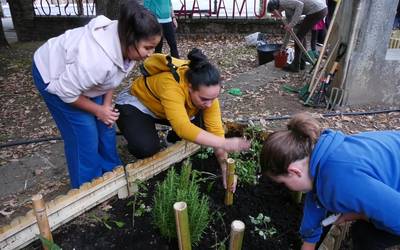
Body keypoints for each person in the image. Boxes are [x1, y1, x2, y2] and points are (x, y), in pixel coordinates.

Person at [32, 0, 162, 188]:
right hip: (54, 76)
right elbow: (65, 92)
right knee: (85, 136)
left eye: (153, 48)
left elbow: (111, 77)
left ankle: (111, 171)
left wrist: (105, 107)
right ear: (129, 39)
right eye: (148, 48)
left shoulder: (126, 44)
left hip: (83, 79)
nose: (150, 54)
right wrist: (98, 110)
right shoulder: (95, 61)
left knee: (106, 126)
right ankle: (88, 187)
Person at [259, 112, 400, 250]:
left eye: (284, 183)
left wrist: (362, 215)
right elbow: (316, 200)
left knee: (365, 236)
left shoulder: (344, 182)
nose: (286, 188)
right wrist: (309, 242)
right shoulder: (319, 157)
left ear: (295, 171)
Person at [115, 48, 250, 190]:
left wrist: (224, 166)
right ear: (190, 87)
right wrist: (224, 142)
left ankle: (171, 140)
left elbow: (216, 131)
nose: (209, 104)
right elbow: (183, 128)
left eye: (213, 98)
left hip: (167, 109)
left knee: (203, 128)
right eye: (204, 99)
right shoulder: (171, 85)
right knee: (145, 147)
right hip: (138, 105)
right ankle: (138, 131)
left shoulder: (208, 96)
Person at [268, 0, 328, 72]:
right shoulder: (287, 11)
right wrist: (283, 48)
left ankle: (296, 65)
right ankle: (302, 63)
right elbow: (289, 31)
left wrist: (291, 24)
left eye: (273, 13)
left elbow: (300, 5)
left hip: (317, 10)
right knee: (301, 36)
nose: (274, 16)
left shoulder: (283, 2)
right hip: (320, 10)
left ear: (275, 8)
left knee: (299, 37)